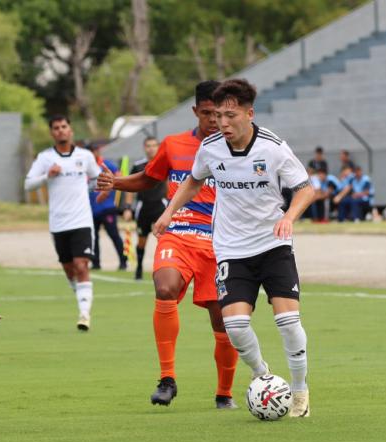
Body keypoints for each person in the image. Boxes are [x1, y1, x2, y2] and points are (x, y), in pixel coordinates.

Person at [154, 78, 315, 417]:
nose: (221, 123)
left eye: (229, 115)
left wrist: (289, 216)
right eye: (217, 116)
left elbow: (304, 188)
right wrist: (168, 213)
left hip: (273, 246)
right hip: (231, 250)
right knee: (236, 327)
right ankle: (264, 378)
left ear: (248, 113)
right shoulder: (211, 148)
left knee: (287, 320)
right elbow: (193, 181)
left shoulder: (272, 147)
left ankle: (300, 392)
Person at [96, 80, 240, 409]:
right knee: (164, 288)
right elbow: (150, 177)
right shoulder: (174, 144)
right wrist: (117, 181)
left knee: (223, 320)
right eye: (207, 114)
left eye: (219, 115)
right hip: (178, 233)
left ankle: (224, 393)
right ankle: (167, 379)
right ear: (195, 111)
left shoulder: (237, 148)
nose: (214, 121)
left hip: (221, 242)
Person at [25, 116, 101, 331]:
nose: (61, 131)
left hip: (82, 220)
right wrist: (46, 177)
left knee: (81, 265)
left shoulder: (84, 156)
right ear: (52, 133)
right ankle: (81, 299)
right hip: (58, 223)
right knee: (69, 269)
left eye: (64, 127)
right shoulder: (45, 158)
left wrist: (101, 190)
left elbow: (96, 179)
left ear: (71, 130)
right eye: (56, 128)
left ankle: (84, 314)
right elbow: (28, 185)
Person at [122, 136, 167, 280]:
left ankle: (163, 271)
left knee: (164, 240)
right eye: (148, 145)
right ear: (144, 147)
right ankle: (139, 268)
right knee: (142, 240)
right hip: (144, 207)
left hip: (161, 206)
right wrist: (128, 207)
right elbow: (130, 187)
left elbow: (173, 183)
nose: (151, 148)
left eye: (154, 145)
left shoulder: (165, 163)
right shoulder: (138, 166)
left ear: (158, 147)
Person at [89, 154, 128, 270]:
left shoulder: (106, 164)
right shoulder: (86, 166)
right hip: (91, 209)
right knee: (93, 237)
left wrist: (109, 190)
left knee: (114, 235)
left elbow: (119, 176)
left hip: (107, 207)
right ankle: (95, 263)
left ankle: (123, 261)